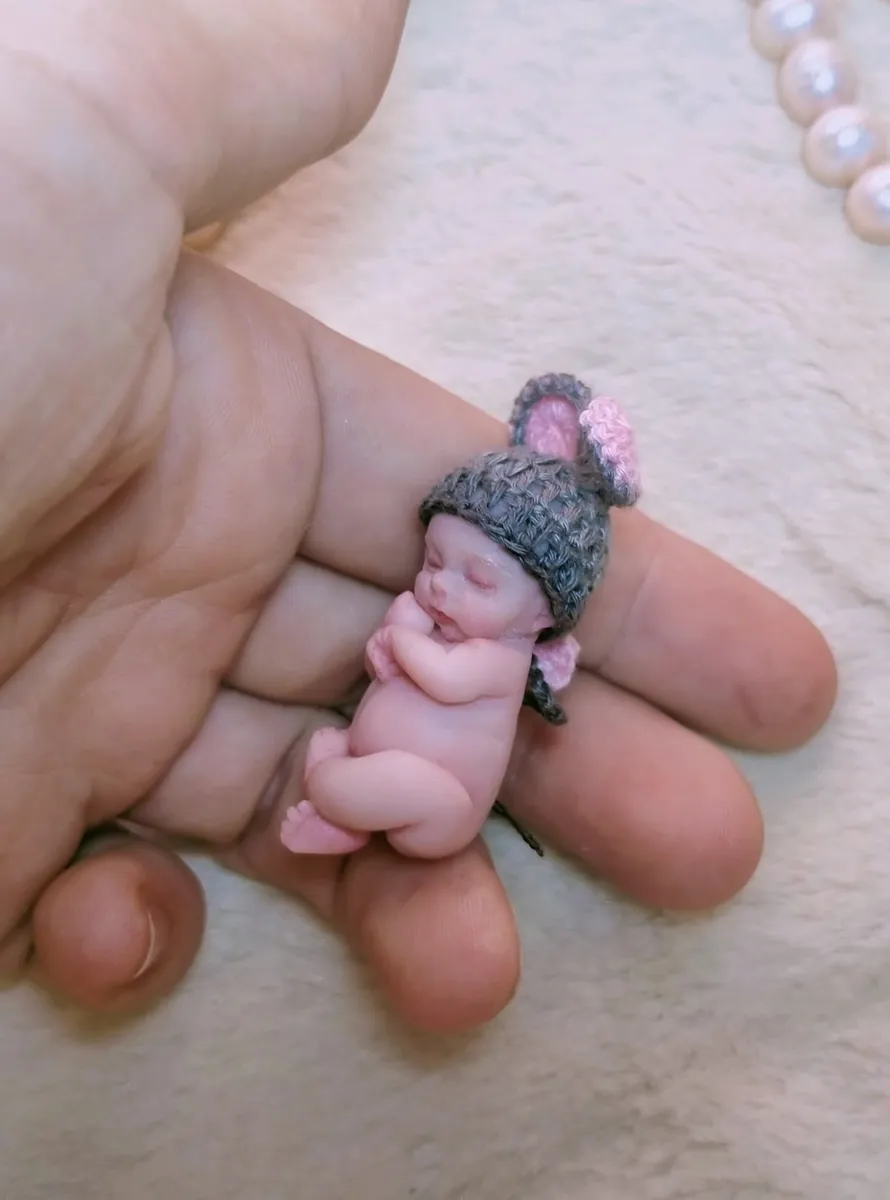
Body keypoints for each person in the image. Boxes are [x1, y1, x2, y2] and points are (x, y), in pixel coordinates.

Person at [0, 2, 836, 1034]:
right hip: (364, 757)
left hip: (434, 800)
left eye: (470, 581)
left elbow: (443, 677)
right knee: (356, 780)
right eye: (436, 560)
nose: (433, 585)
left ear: (541, 619)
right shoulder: (440, 612)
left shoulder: (485, 665)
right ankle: (329, 794)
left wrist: (409, 648)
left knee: (396, 793)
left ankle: (332, 797)